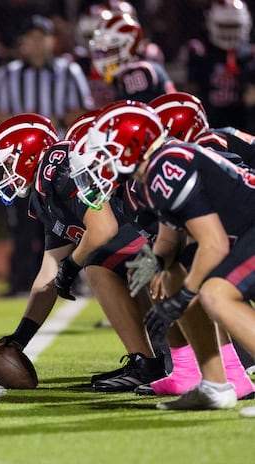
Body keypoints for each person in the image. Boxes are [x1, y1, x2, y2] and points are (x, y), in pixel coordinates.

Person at [68, 99, 255, 411]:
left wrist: (182, 297)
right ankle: (215, 384)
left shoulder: (166, 165)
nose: (102, 165)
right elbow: (170, 239)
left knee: (215, 294)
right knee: (171, 271)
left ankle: (227, 376)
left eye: (105, 155)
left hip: (245, 232)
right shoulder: (151, 173)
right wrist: (152, 264)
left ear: (129, 147)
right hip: (244, 234)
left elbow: (213, 244)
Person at [0, 112, 167, 391]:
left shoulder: (62, 169)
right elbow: (49, 271)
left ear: (28, 154)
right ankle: (148, 363)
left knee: (99, 263)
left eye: (8, 163)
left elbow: (103, 229)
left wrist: (72, 265)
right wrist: (19, 338)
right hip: (146, 254)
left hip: (162, 250)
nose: (5, 173)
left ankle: (169, 361)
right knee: (101, 264)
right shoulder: (43, 194)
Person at [0, 14, 93, 296]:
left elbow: (82, 112)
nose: (36, 43)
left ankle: (72, 279)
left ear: (51, 40)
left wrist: (40, 123)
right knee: (21, 222)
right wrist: (34, 126)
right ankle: (20, 279)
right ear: (21, 43)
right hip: (21, 161)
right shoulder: (6, 74)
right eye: (30, 38)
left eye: (41, 37)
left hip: (60, 161)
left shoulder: (69, 71)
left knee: (68, 219)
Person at [179, 0, 255, 132]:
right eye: (224, 26)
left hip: (243, 124)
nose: (229, 33)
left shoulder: (250, 54)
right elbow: (190, 92)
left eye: (233, 27)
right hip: (209, 122)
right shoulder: (199, 51)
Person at [88, 10, 176, 102]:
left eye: (111, 50)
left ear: (129, 46)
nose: (103, 56)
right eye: (101, 51)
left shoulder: (139, 72)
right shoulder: (117, 76)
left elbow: (135, 114)